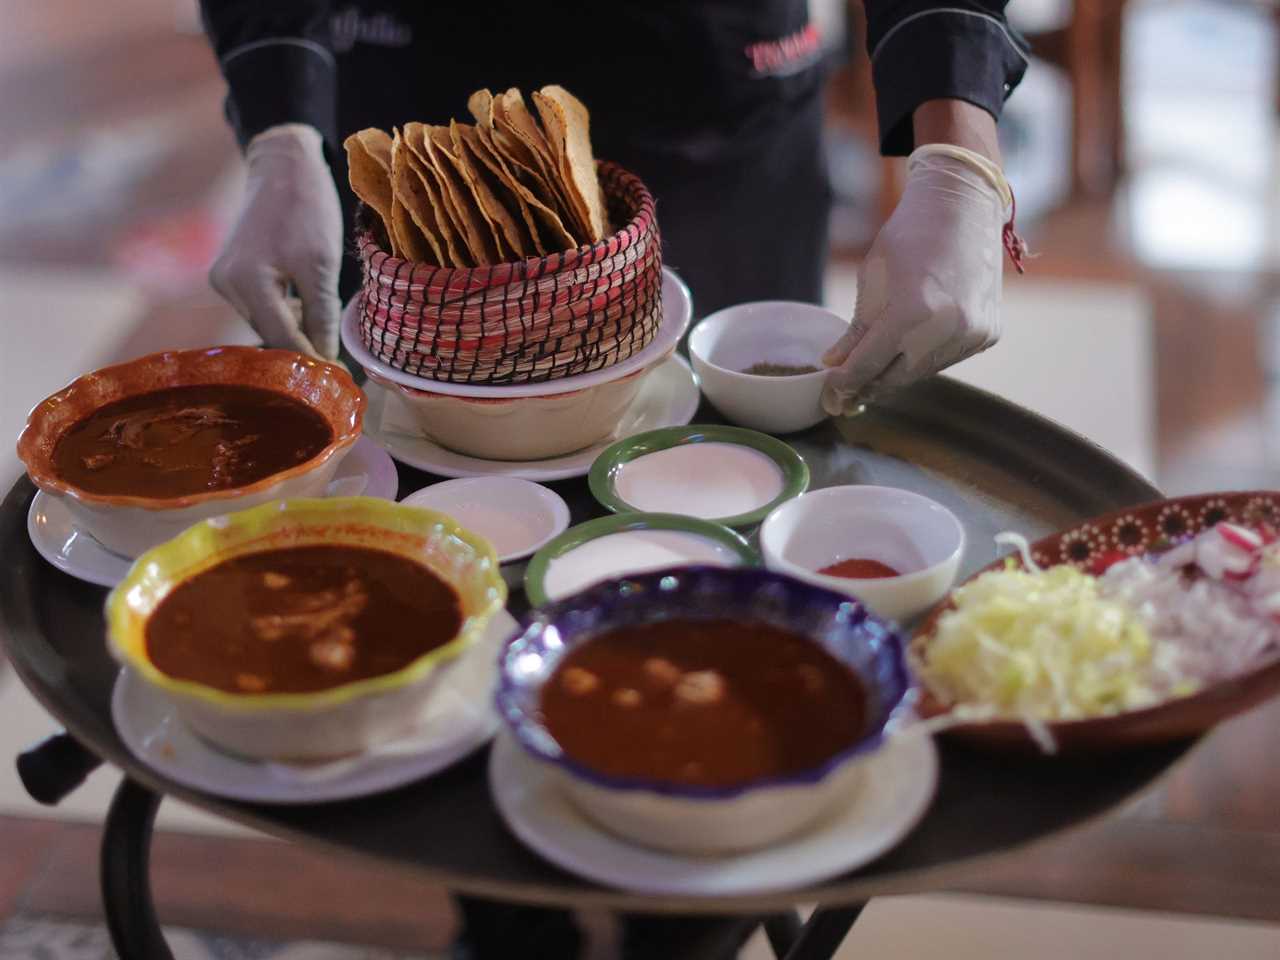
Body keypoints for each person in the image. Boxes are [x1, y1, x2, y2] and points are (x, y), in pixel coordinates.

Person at [198, 3, 1026, 956]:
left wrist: (957, 147)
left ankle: (692, 913)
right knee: (468, 580)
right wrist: (281, 121)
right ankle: (507, 923)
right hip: (418, 97)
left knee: (722, 558)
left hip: (712, 90)